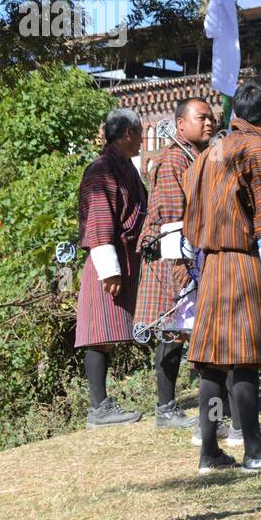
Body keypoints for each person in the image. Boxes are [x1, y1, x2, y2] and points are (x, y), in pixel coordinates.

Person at [183, 83, 261, 474]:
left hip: (211, 264)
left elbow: (192, 217)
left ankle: (210, 454)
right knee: (244, 357)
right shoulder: (259, 149)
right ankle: (255, 451)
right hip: (244, 263)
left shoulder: (207, 153)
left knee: (214, 360)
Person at [133, 97, 216, 429]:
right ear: (181, 124)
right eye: (201, 118)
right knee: (174, 330)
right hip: (173, 255)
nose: (208, 123)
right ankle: (166, 409)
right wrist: (181, 266)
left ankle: (210, 404)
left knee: (188, 329)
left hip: (190, 251)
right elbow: (170, 218)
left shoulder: (194, 155)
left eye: (211, 117)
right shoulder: (173, 161)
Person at [75, 108, 148, 427]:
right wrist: (111, 269)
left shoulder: (124, 167)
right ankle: (98, 407)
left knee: (107, 331)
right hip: (107, 262)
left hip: (125, 257)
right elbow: (101, 218)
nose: (143, 140)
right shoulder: (102, 170)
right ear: (128, 133)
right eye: (140, 133)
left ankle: (101, 405)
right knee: (98, 333)